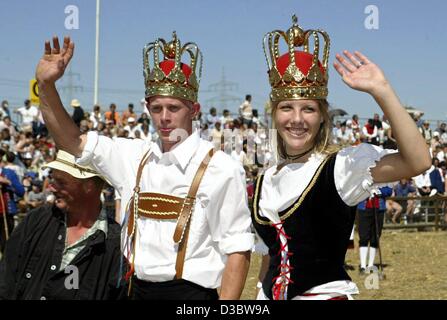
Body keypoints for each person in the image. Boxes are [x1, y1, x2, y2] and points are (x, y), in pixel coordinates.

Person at [35, 33, 254, 300]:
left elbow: (238, 251)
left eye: (174, 107)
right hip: (134, 289)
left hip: (190, 296)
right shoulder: (133, 155)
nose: (164, 117)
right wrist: (46, 86)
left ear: (194, 109)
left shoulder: (221, 168)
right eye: (156, 107)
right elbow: (71, 141)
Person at [252, 15, 431, 300]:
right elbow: (269, 265)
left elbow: (418, 161)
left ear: (323, 117)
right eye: (287, 107)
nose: (297, 119)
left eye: (308, 109)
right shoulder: (264, 181)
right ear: (274, 113)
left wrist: (381, 91)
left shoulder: (341, 168)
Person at [0, 150, 124, 300]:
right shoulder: (36, 220)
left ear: (89, 186)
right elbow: (6, 281)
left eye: (61, 182)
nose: (51, 187)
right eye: (53, 179)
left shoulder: (115, 245)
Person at [357, 187, 392, 274]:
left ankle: (370, 265)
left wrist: (380, 191)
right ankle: (363, 266)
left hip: (379, 209)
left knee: (375, 237)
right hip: (364, 208)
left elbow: (389, 190)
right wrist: (367, 190)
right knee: (364, 237)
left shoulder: (384, 176)